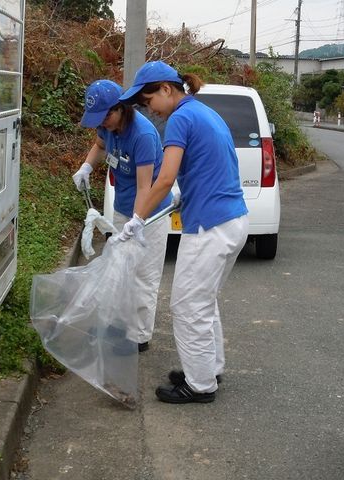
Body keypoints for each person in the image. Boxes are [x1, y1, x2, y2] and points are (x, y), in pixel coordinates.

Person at [117, 61, 249, 404]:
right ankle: (207, 369)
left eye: (148, 102)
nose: (150, 111)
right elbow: (210, 167)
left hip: (210, 226)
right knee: (203, 301)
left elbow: (163, 178)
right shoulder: (203, 112)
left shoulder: (180, 118)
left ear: (165, 89)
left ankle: (200, 385)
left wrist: (137, 218)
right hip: (231, 219)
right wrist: (183, 198)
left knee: (188, 305)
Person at [72, 79, 172, 353]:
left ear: (121, 108)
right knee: (119, 269)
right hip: (123, 207)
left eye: (106, 117)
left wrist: (137, 221)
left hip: (150, 213)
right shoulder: (108, 127)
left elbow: (145, 187)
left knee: (143, 274)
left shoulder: (143, 135)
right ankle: (119, 325)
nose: (103, 124)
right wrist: (86, 167)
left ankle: (139, 336)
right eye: (99, 120)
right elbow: (99, 145)